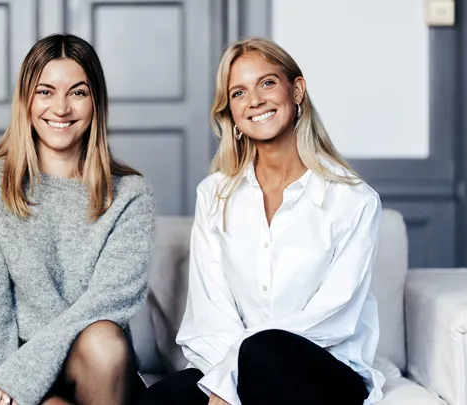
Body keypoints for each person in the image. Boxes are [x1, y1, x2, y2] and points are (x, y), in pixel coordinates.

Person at [137, 37, 384, 405]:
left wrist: (231, 378)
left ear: (296, 91)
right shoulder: (214, 195)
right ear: (231, 112)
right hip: (233, 366)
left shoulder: (353, 200)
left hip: (322, 372)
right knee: (158, 401)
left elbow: (331, 317)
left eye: (267, 83)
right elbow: (210, 312)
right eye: (238, 93)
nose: (254, 100)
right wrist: (227, 380)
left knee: (263, 350)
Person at [0, 33, 156, 405]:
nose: (61, 108)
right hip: (0, 353)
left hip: (85, 357)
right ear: (26, 101)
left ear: (96, 102)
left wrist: (24, 375)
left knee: (104, 339)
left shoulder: (131, 193)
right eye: (45, 92)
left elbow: (107, 303)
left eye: (77, 92)